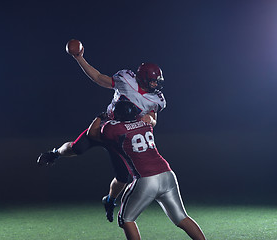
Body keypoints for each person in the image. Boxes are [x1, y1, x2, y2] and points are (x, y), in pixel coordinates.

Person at [37, 42, 166, 222]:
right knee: (77, 148)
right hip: (105, 125)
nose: (154, 84)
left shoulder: (156, 98)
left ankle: (110, 200)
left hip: (123, 137)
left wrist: (149, 120)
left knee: (123, 177)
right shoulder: (126, 79)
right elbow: (98, 77)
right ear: (142, 78)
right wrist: (79, 58)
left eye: (156, 81)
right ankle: (55, 153)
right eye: (152, 80)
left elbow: (153, 118)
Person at [101, 101, 206, 240]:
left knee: (125, 219)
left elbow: (98, 131)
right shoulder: (146, 123)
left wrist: (100, 117)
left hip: (146, 178)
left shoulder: (114, 128)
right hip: (167, 174)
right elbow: (151, 116)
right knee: (181, 217)